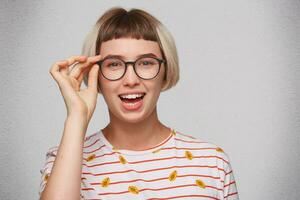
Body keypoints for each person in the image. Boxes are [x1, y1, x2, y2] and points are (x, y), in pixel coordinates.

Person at [39, 7, 239, 200]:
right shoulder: (65, 159)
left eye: (145, 62)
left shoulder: (212, 163)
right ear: (96, 75)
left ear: (165, 71)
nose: (131, 80)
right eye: (114, 64)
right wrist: (76, 117)